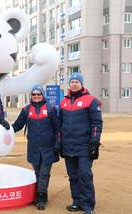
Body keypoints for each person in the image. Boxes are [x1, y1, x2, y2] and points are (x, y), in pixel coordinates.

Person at [59, 73, 102, 214]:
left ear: (82, 84)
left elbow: (97, 123)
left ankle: (88, 205)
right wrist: (59, 143)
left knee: (84, 175)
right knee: (73, 176)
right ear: (69, 84)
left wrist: (94, 142)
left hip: (84, 146)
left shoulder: (91, 101)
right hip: (68, 146)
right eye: (72, 81)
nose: (75, 84)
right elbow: (59, 125)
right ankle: (76, 202)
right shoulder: (63, 102)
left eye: (77, 81)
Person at [12, 84, 60, 210]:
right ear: (31, 96)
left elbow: (57, 128)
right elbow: (17, 125)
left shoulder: (51, 109)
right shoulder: (26, 110)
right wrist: (5, 128)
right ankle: (41, 194)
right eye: (34, 94)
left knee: (44, 173)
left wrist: (57, 144)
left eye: (39, 94)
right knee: (37, 173)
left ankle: (41, 198)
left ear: (43, 95)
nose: (36, 96)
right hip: (33, 148)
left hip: (48, 147)